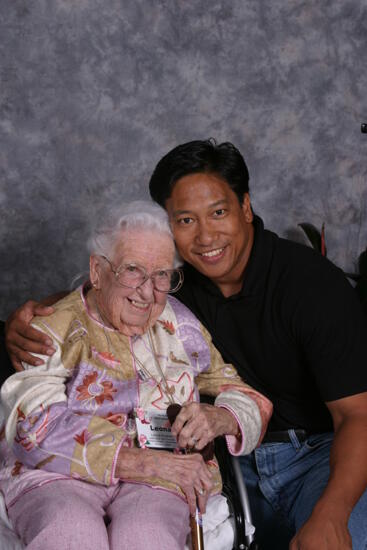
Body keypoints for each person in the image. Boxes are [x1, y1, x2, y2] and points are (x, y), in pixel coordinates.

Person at [4, 139, 367, 549]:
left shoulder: (303, 287)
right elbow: (99, 298)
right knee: (76, 530)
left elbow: (354, 416)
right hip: (204, 466)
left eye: (218, 212)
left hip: (312, 457)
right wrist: (30, 314)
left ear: (245, 207)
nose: (205, 235)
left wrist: (331, 513)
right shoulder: (169, 285)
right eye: (185, 220)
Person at [0, 200, 272, 550]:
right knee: (71, 533)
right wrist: (143, 463)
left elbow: (239, 390)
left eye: (162, 274)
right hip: (57, 475)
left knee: (146, 538)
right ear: (97, 271)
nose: (148, 291)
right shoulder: (52, 327)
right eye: (133, 270)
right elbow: (32, 426)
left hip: (162, 482)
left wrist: (222, 417)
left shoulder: (179, 324)